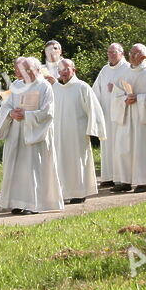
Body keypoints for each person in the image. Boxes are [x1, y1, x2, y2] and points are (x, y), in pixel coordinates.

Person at [0, 57, 64, 214]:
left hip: (36, 134)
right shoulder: (16, 85)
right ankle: (18, 202)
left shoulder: (44, 86)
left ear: (36, 69)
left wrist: (27, 115)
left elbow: (48, 112)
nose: (24, 73)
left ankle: (34, 204)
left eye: (27, 70)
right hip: (17, 133)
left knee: (33, 168)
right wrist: (10, 113)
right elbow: (5, 106)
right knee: (18, 168)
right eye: (22, 70)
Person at [110, 44, 146, 192]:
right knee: (124, 148)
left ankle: (142, 182)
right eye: (131, 53)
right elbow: (116, 94)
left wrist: (139, 98)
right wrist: (124, 100)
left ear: (144, 57)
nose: (131, 57)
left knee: (141, 149)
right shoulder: (124, 72)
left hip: (142, 118)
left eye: (135, 54)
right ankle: (125, 180)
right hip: (126, 115)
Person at [53, 58, 107, 203]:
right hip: (59, 133)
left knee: (77, 162)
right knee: (60, 162)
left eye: (66, 69)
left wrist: (94, 130)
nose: (63, 72)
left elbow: (94, 109)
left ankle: (78, 193)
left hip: (77, 133)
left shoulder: (82, 87)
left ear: (73, 69)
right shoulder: (55, 89)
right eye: (61, 70)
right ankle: (63, 192)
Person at [91, 43, 130, 187]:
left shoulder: (127, 69)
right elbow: (96, 90)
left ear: (122, 53)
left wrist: (116, 89)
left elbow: (131, 89)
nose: (111, 55)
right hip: (107, 114)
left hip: (121, 115)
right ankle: (108, 176)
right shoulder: (105, 69)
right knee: (107, 144)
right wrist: (95, 110)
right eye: (109, 52)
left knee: (120, 145)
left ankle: (120, 176)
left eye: (114, 52)